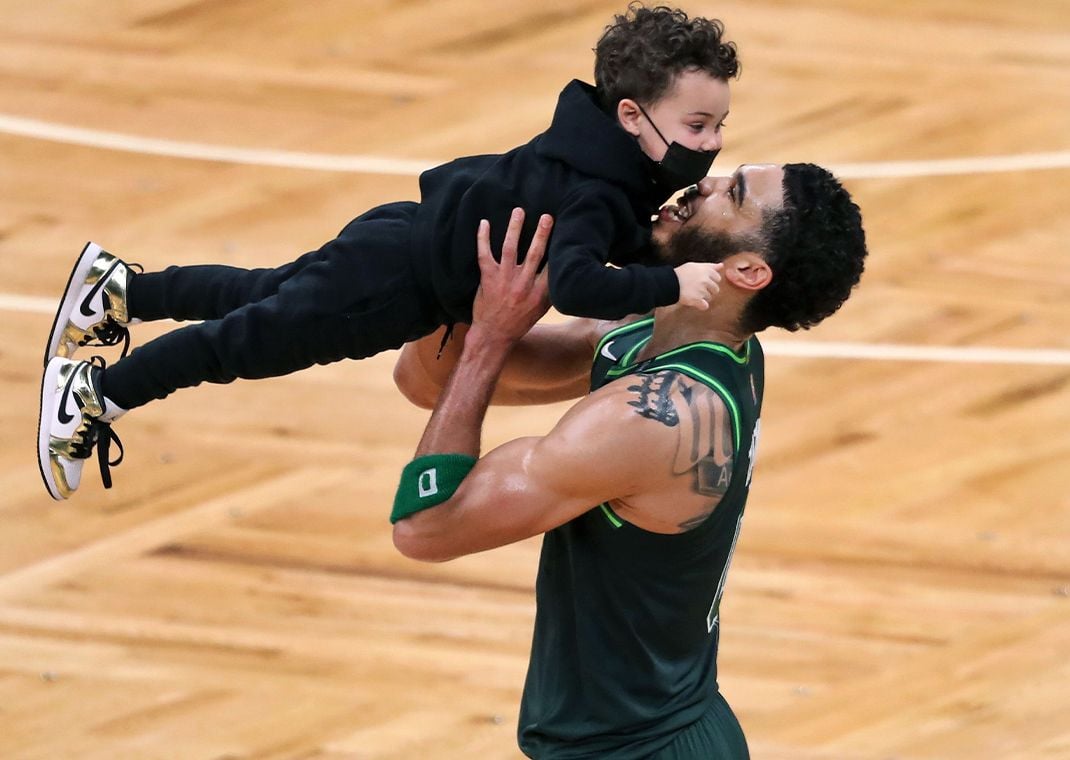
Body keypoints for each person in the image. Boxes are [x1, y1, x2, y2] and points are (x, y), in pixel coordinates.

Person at [37, 4, 739, 500]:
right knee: (241, 343)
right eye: (698, 125)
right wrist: (669, 285)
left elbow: (604, 244)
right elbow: (581, 283)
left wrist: (658, 267)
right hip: (392, 289)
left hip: (398, 233)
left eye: (718, 126)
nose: (709, 143)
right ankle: (96, 397)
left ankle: (120, 293)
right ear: (631, 115)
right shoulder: (599, 187)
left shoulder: (592, 151)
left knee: (260, 294)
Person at [390, 162, 867, 758]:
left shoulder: (655, 419)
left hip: (641, 747)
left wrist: (489, 340)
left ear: (747, 270)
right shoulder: (659, 327)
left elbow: (426, 527)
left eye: (734, 194)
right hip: (639, 734)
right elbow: (431, 385)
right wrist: (458, 285)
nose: (707, 183)